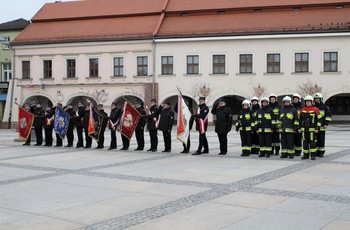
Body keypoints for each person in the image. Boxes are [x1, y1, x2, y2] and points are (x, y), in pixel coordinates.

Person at [299, 95, 321, 160]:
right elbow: (299, 120)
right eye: (307, 101)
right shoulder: (302, 110)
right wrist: (298, 128)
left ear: (312, 102)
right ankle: (306, 155)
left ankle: (313, 155)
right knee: (305, 142)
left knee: (312, 143)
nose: (308, 103)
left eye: (309, 101)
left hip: (312, 130)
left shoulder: (316, 110)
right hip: (304, 130)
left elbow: (319, 120)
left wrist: (317, 128)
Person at [314, 92, 332, 157]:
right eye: (315, 98)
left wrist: (326, 123)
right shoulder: (313, 107)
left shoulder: (325, 107)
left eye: (318, 98)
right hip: (314, 127)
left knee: (321, 140)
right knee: (314, 140)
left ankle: (321, 152)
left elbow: (328, 115)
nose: (316, 100)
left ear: (320, 99)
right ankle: (315, 152)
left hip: (322, 127)